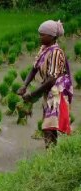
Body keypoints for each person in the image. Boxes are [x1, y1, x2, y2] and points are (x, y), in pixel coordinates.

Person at [17, 20, 73, 149]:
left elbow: (52, 79)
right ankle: (51, 151)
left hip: (57, 91)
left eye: (43, 35)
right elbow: (34, 68)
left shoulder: (56, 52)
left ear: (52, 36)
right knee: (48, 123)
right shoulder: (44, 49)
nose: (40, 37)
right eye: (39, 34)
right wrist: (24, 85)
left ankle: (50, 152)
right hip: (49, 89)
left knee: (49, 124)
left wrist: (32, 95)